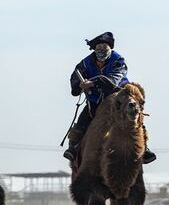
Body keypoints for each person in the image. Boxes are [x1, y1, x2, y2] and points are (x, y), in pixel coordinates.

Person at [64, 32, 156, 164]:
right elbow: (75, 78)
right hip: (95, 100)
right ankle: (73, 148)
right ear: (94, 49)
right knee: (82, 121)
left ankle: (144, 148)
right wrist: (80, 85)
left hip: (118, 98)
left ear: (110, 48)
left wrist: (93, 82)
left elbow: (114, 80)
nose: (101, 50)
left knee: (135, 116)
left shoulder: (118, 60)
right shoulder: (85, 63)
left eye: (104, 47)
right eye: (98, 47)